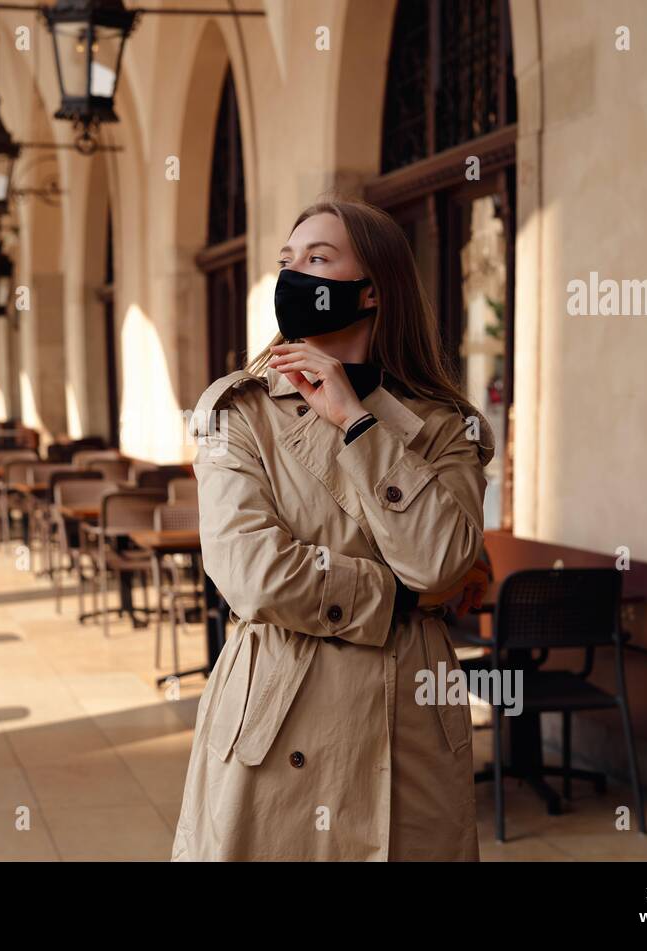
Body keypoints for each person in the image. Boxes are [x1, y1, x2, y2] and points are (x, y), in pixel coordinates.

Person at [171, 198, 494, 861]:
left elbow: (440, 562)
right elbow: (255, 577)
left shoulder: (444, 425)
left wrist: (356, 422)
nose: (297, 277)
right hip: (277, 712)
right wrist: (400, 599)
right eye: (287, 263)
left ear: (372, 289)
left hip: (409, 726)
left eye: (319, 260)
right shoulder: (239, 412)